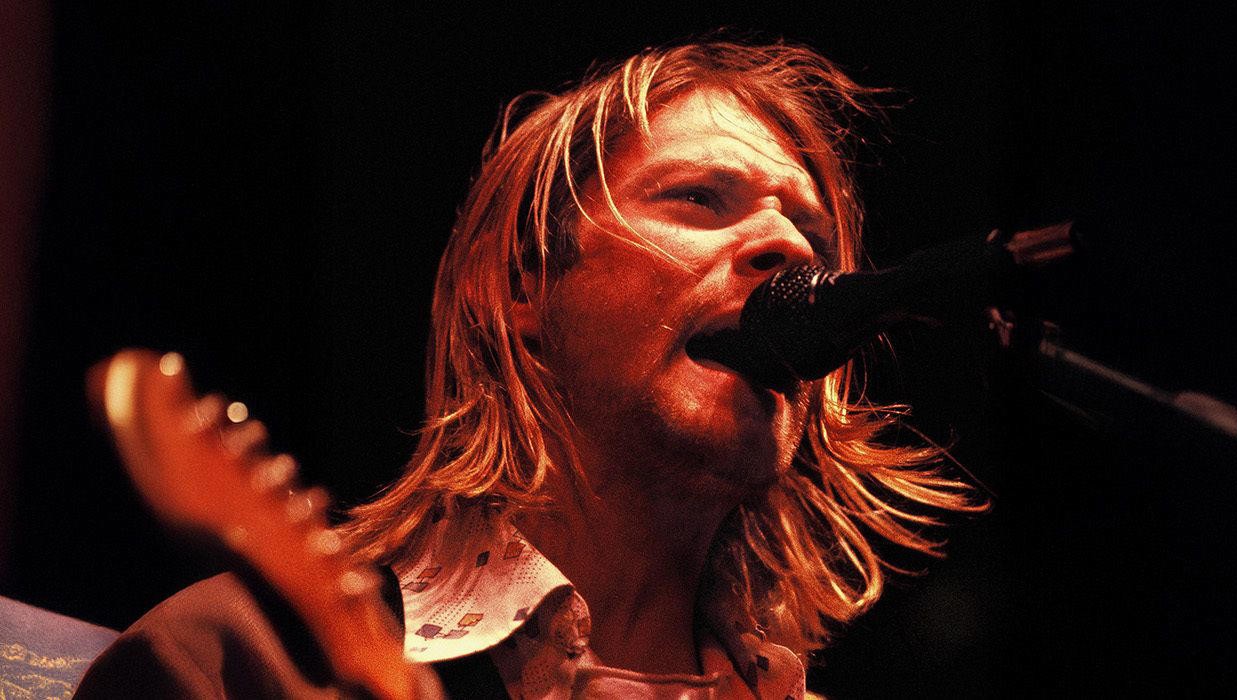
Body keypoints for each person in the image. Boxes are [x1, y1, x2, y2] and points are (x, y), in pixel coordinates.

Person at [77, 39, 984, 698]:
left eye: (812, 232)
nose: (789, 247)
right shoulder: (239, 658)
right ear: (524, 284)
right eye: (701, 198)